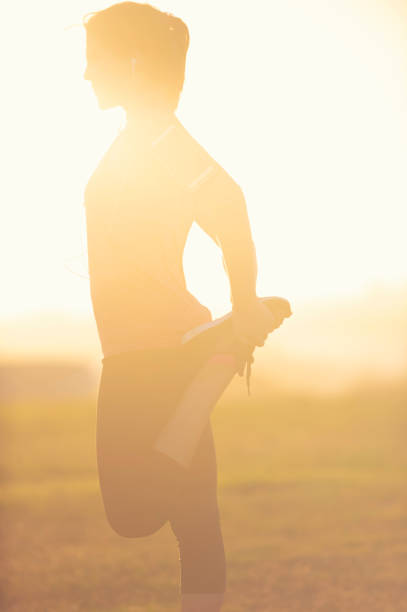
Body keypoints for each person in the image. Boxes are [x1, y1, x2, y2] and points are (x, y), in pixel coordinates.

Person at [82, 3, 289, 610]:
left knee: (132, 513)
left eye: (95, 62)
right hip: (160, 345)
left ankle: (218, 352)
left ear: (132, 61)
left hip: (150, 348)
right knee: (194, 516)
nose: (86, 76)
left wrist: (244, 302)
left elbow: (230, 203)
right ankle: (216, 358)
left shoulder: (160, 135)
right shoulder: (141, 136)